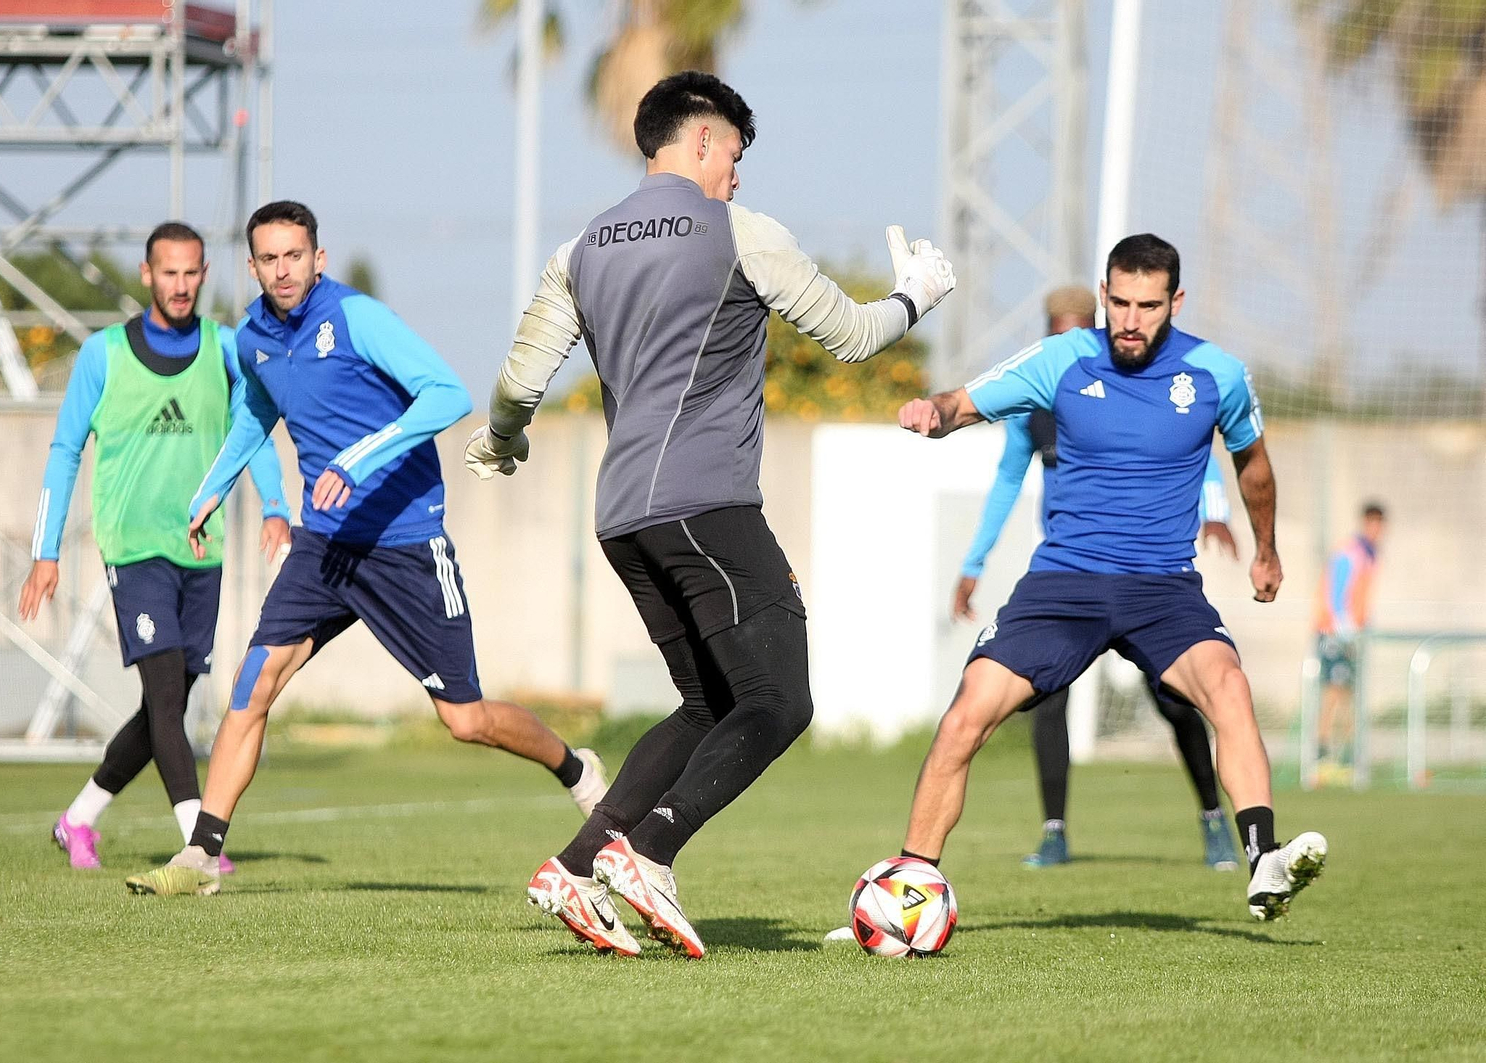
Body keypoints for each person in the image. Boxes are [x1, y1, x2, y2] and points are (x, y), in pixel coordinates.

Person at [465, 71, 956, 957]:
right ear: (699, 141)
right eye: (734, 153)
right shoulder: (739, 232)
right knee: (780, 701)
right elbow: (850, 336)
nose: (737, 172)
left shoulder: (579, 250)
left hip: (622, 516)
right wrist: (917, 292)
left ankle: (576, 867)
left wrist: (501, 441)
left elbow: (518, 383)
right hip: (707, 504)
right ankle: (648, 850)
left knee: (704, 703)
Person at [125, 201, 607, 896]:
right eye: (269, 257)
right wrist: (210, 491)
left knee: (465, 719)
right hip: (323, 548)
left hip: (404, 542)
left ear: (318, 258)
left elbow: (448, 393)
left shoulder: (356, 318)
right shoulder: (251, 336)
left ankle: (577, 769)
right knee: (252, 683)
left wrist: (356, 459)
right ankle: (201, 854)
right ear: (252, 266)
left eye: (295, 255)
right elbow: (257, 413)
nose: (283, 268)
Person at [893, 233, 1325, 921]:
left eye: (1148, 305)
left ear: (1175, 301)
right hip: (1065, 583)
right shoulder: (1063, 358)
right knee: (967, 712)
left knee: (1228, 687)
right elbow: (964, 401)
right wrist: (932, 414)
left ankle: (1261, 857)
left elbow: (1254, 465)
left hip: (1164, 589)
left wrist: (1265, 548)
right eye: (1119, 301)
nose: (1130, 319)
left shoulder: (1218, 374)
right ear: (1103, 294)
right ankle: (907, 888)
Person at [20, 222, 291, 871]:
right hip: (133, 547)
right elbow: (64, 450)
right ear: (147, 274)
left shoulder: (225, 349)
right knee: (167, 694)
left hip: (202, 549)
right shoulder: (103, 354)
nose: (180, 284)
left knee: (164, 705)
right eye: (168, 272)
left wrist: (277, 508)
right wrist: (46, 549)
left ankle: (77, 818)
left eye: (191, 272)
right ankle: (200, 842)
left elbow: (254, 426)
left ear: (204, 275)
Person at [953, 284, 1241, 871]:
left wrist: (1217, 510)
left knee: (1176, 702)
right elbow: (1009, 481)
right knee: (1047, 700)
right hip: (1069, 578)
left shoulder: (1138, 390)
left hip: (1144, 576)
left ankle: (1214, 821)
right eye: (1056, 331)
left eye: (1078, 330)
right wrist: (973, 564)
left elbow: (1201, 450)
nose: (1068, 342)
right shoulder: (1035, 403)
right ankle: (1054, 833)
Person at [1313, 502, 1386, 783]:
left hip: (1353, 633)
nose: (1376, 530)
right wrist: (1344, 627)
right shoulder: (1350, 552)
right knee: (1334, 691)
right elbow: (1335, 594)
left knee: (1349, 694)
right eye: (1372, 523)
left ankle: (1344, 756)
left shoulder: (1371, 555)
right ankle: (1321, 756)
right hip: (1334, 631)